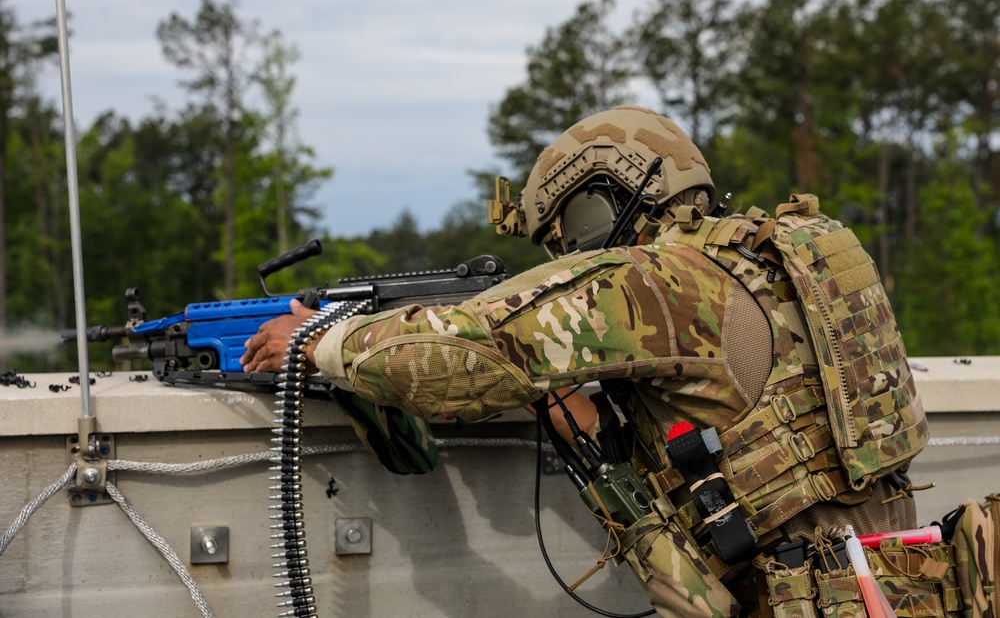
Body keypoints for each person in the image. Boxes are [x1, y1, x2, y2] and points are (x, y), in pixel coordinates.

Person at [241, 106, 930, 618]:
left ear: (603, 199)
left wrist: (324, 339)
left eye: (567, 234)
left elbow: (465, 352)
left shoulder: (662, 280)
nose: (568, 256)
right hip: (894, 585)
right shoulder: (785, 256)